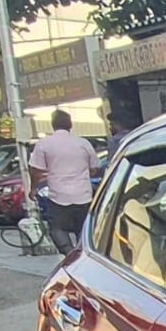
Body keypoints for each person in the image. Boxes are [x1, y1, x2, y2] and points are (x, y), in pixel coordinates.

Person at [28, 109, 100, 255]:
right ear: (70, 125)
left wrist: (33, 188)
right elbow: (94, 168)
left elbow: (35, 170)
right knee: (83, 229)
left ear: (53, 125)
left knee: (57, 228)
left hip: (58, 195)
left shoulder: (44, 144)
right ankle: (83, 254)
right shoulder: (83, 143)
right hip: (83, 195)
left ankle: (69, 254)